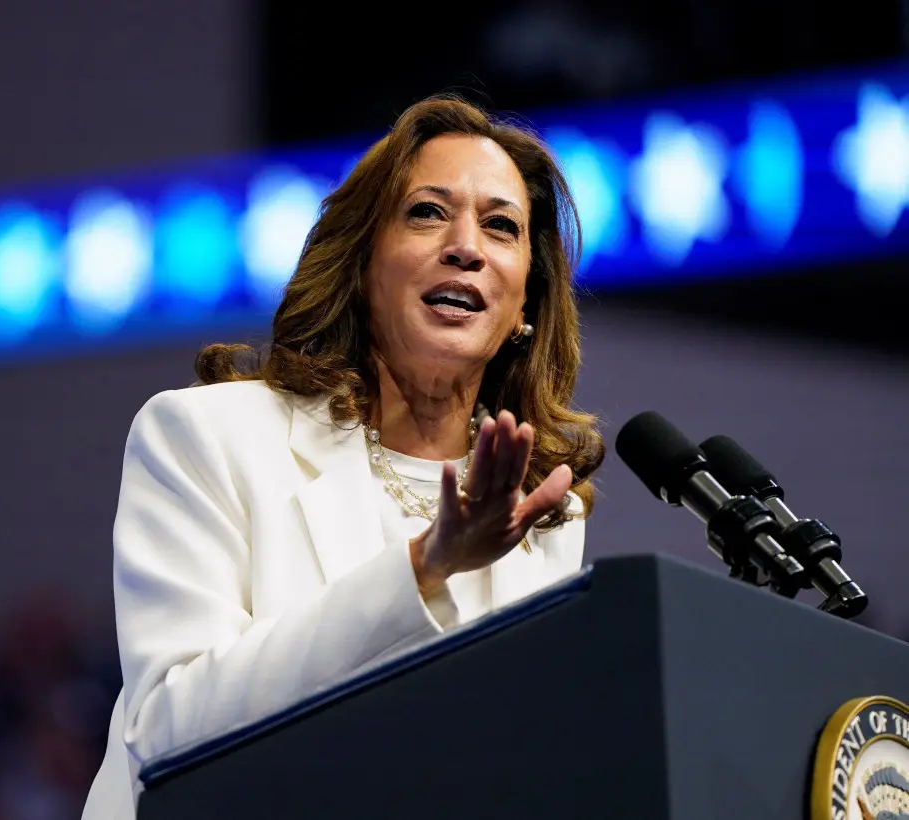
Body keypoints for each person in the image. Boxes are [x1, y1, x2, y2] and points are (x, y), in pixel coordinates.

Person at [81, 94, 604, 819]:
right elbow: (169, 731)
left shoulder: (542, 516)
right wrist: (425, 568)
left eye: (501, 226)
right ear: (362, 264)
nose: (467, 247)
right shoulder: (207, 438)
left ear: (525, 306)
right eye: (427, 212)